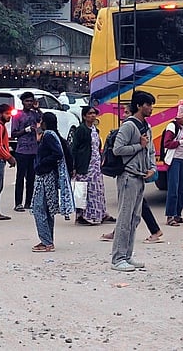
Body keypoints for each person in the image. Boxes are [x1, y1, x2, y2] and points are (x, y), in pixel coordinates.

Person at [110, 91, 157, 272]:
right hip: (128, 176)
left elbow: (151, 150)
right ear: (139, 106)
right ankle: (118, 258)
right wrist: (139, 146)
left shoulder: (147, 126)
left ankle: (127, 255)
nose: (151, 109)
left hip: (140, 176)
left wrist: (152, 167)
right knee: (125, 217)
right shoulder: (129, 126)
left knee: (134, 218)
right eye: (148, 105)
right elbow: (118, 149)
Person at [31, 112, 73, 252]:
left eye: (41, 120)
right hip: (49, 175)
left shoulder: (49, 136)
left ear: (45, 122)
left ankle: (46, 242)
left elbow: (58, 154)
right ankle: (48, 240)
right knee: (47, 210)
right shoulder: (53, 135)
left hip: (45, 177)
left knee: (39, 208)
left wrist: (42, 163)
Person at [70, 106, 114, 225]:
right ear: (84, 116)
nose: (92, 116)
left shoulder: (95, 130)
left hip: (95, 165)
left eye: (94, 113)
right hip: (85, 166)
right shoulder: (81, 130)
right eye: (90, 114)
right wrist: (73, 166)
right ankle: (84, 216)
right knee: (86, 191)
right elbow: (74, 148)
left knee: (97, 190)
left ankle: (100, 214)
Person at [162, 100, 183, 226]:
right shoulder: (172, 126)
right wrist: (182, 142)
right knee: (173, 189)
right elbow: (167, 143)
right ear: (179, 117)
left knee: (182, 189)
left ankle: (178, 214)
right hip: (174, 160)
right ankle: (170, 216)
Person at [12, 92, 42, 212]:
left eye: (31, 101)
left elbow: (42, 121)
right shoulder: (18, 115)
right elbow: (14, 134)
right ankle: (18, 203)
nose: (29, 103)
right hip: (21, 150)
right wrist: (25, 130)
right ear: (22, 102)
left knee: (31, 178)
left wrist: (38, 109)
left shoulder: (35, 115)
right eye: (27, 101)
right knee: (20, 177)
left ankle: (28, 202)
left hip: (33, 150)